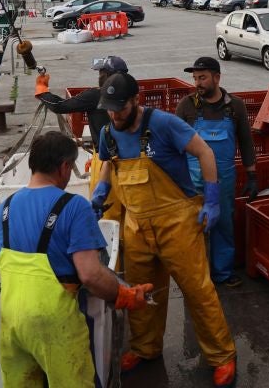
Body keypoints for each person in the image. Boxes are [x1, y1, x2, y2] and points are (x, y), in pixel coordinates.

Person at [92, 72, 238, 387]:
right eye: (110, 110)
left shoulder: (163, 124)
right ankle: (145, 348)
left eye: (120, 108)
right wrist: (100, 193)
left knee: (198, 291)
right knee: (142, 292)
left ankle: (222, 355)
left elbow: (205, 152)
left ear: (136, 100)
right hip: (137, 226)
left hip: (178, 224)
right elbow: (107, 163)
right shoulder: (108, 132)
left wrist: (212, 200)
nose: (115, 115)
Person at [0, 131, 153, 387]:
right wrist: (124, 295)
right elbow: (91, 275)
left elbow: (5, 264)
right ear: (64, 167)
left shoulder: (3, 210)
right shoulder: (75, 206)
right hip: (54, 325)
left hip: (11, 321)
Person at [175, 56, 258, 288]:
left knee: (223, 224)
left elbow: (246, 142)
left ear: (217, 78)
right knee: (193, 227)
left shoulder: (235, 106)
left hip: (224, 179)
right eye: (195, 78)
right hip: (192, 179)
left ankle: (222, 273)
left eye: (202, 78)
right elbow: (173, 143)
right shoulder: (186, 106)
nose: (197, 83)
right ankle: (196, 275)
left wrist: (252, 175)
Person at [37, 56, 129, 221]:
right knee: (127, 213)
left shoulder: (95, 95)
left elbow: (60, 106)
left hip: (106, 164)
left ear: (108, 76)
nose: (99, 76)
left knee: (107, 217)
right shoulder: (130, 97)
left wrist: (42, 91)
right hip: (129, 161)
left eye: (101, 72)